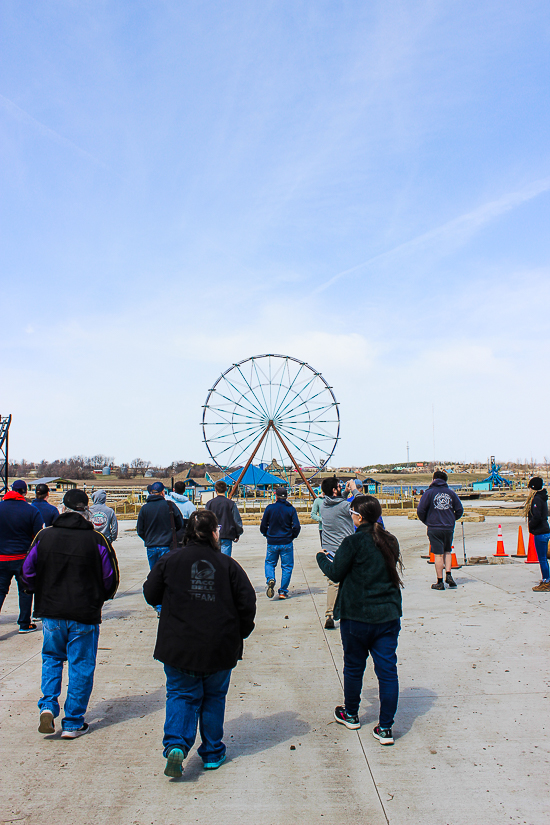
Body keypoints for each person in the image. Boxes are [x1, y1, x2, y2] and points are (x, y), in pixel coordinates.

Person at [143, 509, 256, 778]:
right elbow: (247, 602)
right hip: (219, 646)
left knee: (181, 694)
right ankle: (213, 752)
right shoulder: (228, 565)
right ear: (214, 533)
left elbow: (150, 593)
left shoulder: (170, 560)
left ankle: (176, 745)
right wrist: (241, 632)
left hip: (179, 645)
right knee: (214, 697)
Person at [21, 489, 119, 738]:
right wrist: (100, 598)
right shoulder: (97, 540)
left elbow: (28, 570)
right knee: (81, 665)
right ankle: (73, 722)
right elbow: (110, 578)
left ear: (62, 508)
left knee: (52, 658)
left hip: (52, 610)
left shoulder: (44, 536)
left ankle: (47, 706)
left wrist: (36, 589)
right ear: (87, 509)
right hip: (84, 612)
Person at [316, 495, 403, 745]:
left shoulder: (352, 542)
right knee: (387, 671)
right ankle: (386, 727)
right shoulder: (390, 541)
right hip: (387, 615)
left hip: (357, 616)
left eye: (352, 512)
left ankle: (351, 714)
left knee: (354, 667)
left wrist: (322, 557)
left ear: (358, 516)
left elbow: (336, 572)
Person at [0, 479, 44, 633]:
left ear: (11, 490)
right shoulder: (31, 510)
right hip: (22, 558)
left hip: (1, 558)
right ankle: (24, 624)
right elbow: (38, 536)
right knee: (25, 590)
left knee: (0, 591)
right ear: (25, 492)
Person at [137, 482, 184, 615]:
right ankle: (170, 603)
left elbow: (140, 530)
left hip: (151, 547)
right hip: (167, 546)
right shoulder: (169, 505)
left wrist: (149, 539)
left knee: (155, 575)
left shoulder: (144, 509)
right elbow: (180, 523)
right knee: (170, 575)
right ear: (163, 492)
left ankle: (159, 606)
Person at [417, 470, 463, 590]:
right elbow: (459, 510)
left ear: (433, 479)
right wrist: (452, 519)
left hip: (434, 527)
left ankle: (440, 581)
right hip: (448, 527)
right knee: (447, 551)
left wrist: (427, 521)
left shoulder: (429, 493)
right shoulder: (451, 493)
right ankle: (449, 574)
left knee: (438, 555)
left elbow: (420, 510)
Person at [319, 477, 355, 629]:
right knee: (351, 581)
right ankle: (350, 613)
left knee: (333, 583)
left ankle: (329, 614)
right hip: (345, 549)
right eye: (339, 487)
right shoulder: (345, 506)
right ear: (334, 490)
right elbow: (361, 506)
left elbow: (337, 503)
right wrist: (354, 490)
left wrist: (344, 493)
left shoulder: (323, 506)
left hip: (328, 550)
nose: (341, 487)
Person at [260, 487, 300, 600]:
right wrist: (292, 535)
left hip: (272, 541)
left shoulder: (270, 508)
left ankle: (270, 579)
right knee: (287, 567)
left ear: (275, 496)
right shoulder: (291, 509)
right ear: (286, 496)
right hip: (286, 541)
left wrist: (266, 534)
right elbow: (296, 526)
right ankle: (283, 591)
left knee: (269, 563)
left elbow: (263, 525)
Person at [524, 476, 550, 592]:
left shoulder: (536, 500)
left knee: (542, 558)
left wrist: (531, 526)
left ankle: (546, 580)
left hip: (540, 532)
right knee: (543, 558)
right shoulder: (542, 498)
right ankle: (546, 579)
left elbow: (537, 517)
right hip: (545, 530)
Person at [205, 480, 243, 556]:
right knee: (225, 560)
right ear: (226, 489)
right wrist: (238, 533)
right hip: (227, 534)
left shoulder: (209, 503)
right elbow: (236, 520)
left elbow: (205, 520)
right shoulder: (231, 504)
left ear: (215, 490)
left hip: (212, 535)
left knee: (214, 560)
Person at [166, 481, 196, 546]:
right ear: (184, 490)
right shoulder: (189, 505)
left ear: (174, 489)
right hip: (183, 536)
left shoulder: (167, 501)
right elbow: (194, 521)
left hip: (169, 535)